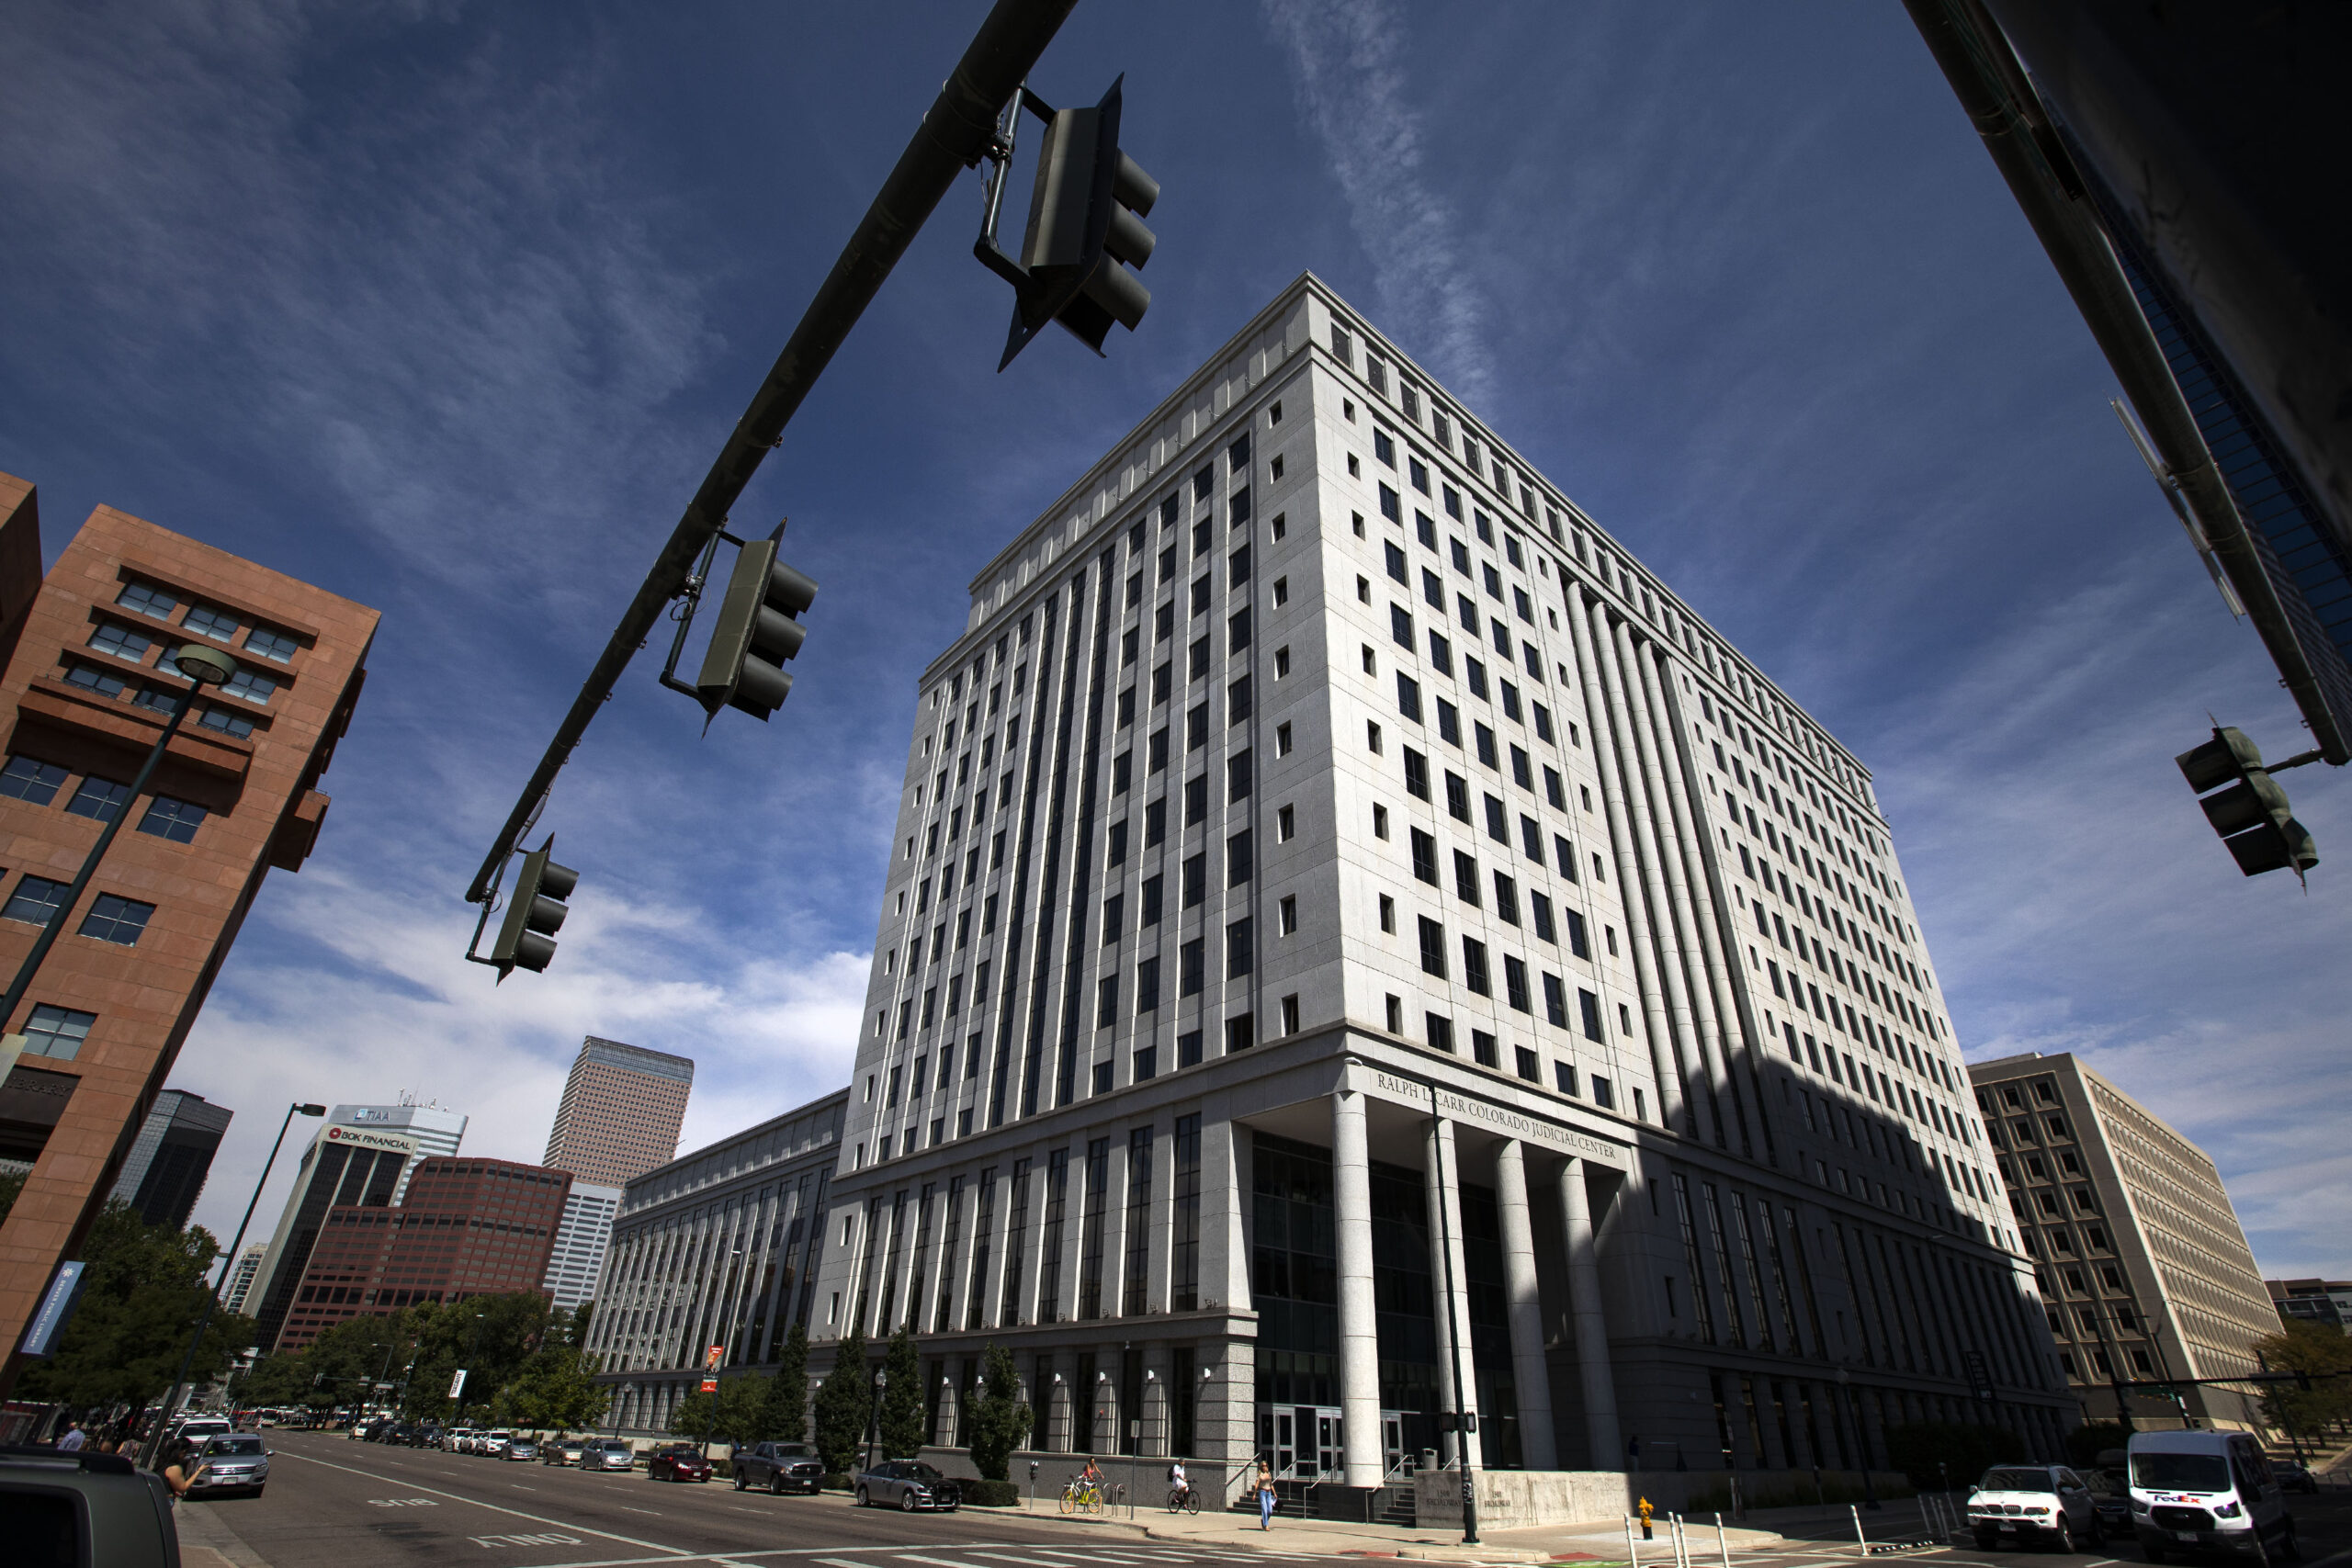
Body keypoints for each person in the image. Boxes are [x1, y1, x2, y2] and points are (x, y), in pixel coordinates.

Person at [1256, 1458, 1275, 1529]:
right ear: (1261, 1467)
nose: (1265, 1467)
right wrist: (1254, 1493)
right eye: (1263, 1466)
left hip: (1268, 1493)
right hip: (1262, 1492)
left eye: (1266, 1465)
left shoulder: (1269, 1473)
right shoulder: (1260, 1474)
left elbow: (1271, 1484)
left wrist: (1275, 1493)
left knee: (1270, 1511)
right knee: (1264, 1509)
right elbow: (1257, 1483)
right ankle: (1266, 1525)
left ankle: (1264, 1520)